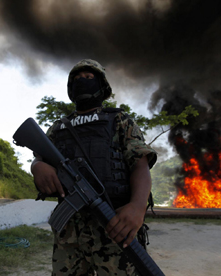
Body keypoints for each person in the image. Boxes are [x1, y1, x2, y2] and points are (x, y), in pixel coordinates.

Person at [31, 59, 157, 275]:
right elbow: (40, 158)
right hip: (69, 234)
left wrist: (137, 207)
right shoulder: (58, 127)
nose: (83, 81)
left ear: (102, 85)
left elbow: (140, 164)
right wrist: (37, 166)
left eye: (89, 78)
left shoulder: (119, 120)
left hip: (114, 225)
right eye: (78, 79)